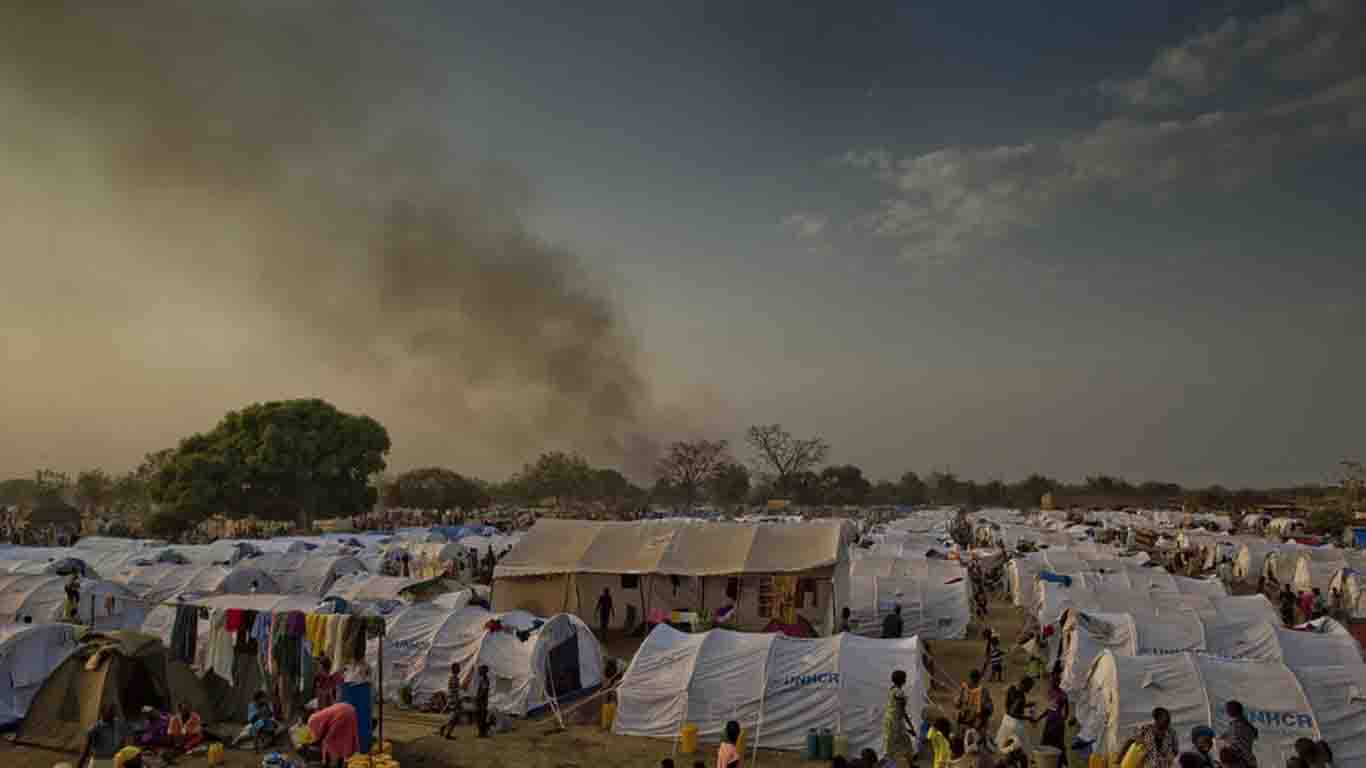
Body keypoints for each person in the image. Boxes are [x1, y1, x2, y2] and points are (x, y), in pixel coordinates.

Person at [307, 701, 360, 768]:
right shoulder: (318, 715)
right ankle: (344, 761)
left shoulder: (311, 720)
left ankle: (338, 763)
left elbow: (319, 736)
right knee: (346, 739)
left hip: (342, 714)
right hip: (348, 710)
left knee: (332, 743)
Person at [882, 669, 916, 768]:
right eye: (905, 678)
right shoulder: (899, 692)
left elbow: (901, 710)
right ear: (903, 680)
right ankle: (896, 765)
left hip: (892, 721)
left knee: (895, 745)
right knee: (899, 745)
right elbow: (902, 710)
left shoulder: (892, 689)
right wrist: (910, 725)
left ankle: (908, 764)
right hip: (895, 722)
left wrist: (909, 725)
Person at [996, 677, 1034, 753]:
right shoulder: (1020, 696)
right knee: (1022, 746)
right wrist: (1028, 718)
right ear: (1024, 685)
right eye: (1029, 687)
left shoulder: (1012, 689)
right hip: (1015, 724)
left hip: (1006, 720)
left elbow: (1009, 707)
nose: (1029, 690)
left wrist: (1026, 705)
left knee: (1006, 745)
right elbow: (1013, 712)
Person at [1221, 700, 1259, 768]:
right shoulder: (1245, 724)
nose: (1226, 712)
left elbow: (1237, 745)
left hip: (1241, 762)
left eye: (1227, 710)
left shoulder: (1236, 726)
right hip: (1248, 761)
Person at [1039, 676, 1069, 761]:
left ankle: (1061, 760)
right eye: (1051, 682)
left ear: (1058, 682)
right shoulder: (1050, 692)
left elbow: (1067, 711)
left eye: (1053, 681)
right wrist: (1039, 718)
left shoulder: (1063, 694)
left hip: (1057, 721)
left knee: (1058, 743)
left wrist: (1062, 721)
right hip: (1050, 720)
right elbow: (1049, 709)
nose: (1051, 683)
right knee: (1046, 740)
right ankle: (1044, 759)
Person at [439, 661, 464, 739]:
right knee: (454, 717)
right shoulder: (454, 678)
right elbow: (453, 690)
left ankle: (446, 729)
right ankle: (446, 731)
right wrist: (457, 699)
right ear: (454, 669)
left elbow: (453, 690)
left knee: (455, 717)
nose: (460, 669)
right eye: (458, 668)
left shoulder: (455, 678)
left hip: (454, 699)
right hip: (454, 699)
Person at [475, 664, 492, 738]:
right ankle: (481, 732)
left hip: (482, 702)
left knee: (482, 718)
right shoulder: (482, 679)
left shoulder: (485, 680)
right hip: (481, 702)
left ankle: (482, 733)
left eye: (480, 670)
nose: (479, 671)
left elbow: (483, 692)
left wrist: (477, 698)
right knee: (480, 718)